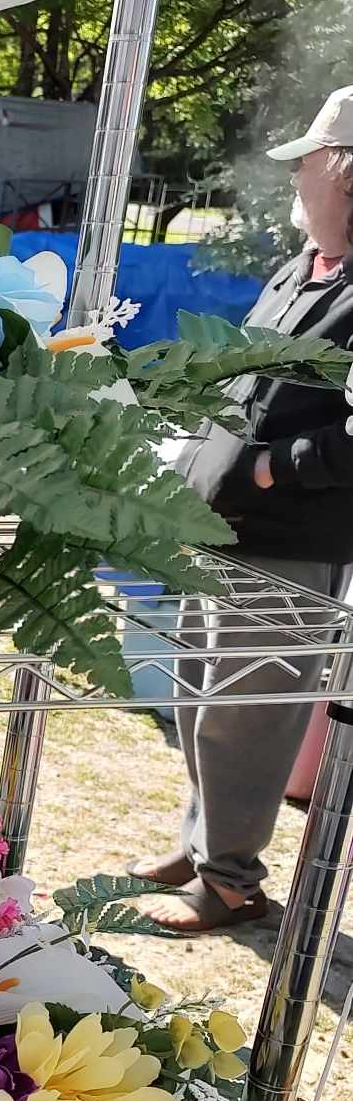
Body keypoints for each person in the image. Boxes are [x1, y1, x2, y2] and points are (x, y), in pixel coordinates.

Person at [138, 87, 353, 933]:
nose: (294, 178)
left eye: (306, 162)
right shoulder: (300, 268)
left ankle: (231, 882)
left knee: (247, 717)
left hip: (287, 538)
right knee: (198, 695)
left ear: (344, 175)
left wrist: (266, 471)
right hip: (215, 526)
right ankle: (204, 847)